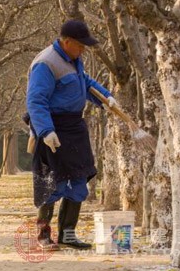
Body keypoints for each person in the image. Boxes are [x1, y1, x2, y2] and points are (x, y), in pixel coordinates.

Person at [25, 19, 117, 250]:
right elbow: (36, 101)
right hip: (52, 127)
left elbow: (85, 83)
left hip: (74, 128)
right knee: (51, 182)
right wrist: (45, 131)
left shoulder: (75, 59)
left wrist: (106, 98)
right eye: (80, 46)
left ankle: (68, 233)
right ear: (66, 42)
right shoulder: (46, 64)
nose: (83, 50)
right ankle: (43, 235)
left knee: (78, 180)